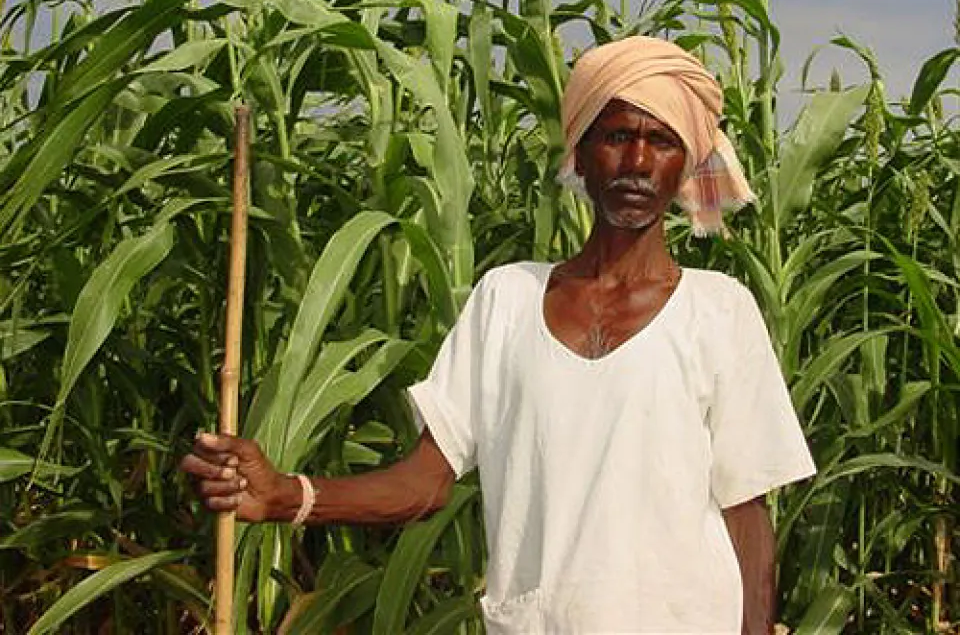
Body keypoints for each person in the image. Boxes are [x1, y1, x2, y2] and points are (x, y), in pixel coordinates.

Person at [182, 35, 815, 634]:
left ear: (686, 165)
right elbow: (425, 483)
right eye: (618, 136)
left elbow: (747, 516)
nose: (638, 162)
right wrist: (286, 495)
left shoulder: (719, 312)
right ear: (581, 154)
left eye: (662, 141)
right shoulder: (506, 300)